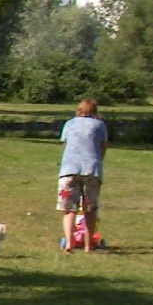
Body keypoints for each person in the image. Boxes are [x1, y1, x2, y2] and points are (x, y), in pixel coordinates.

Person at [57, 98, 109, 253]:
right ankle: (88, 245)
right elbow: (103, 146)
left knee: (69, 210)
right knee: (90, 210)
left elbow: (65, 144)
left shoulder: (69, 124)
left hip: (69, 170)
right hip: (91, 170)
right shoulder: (100, 125)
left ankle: (69, 244)